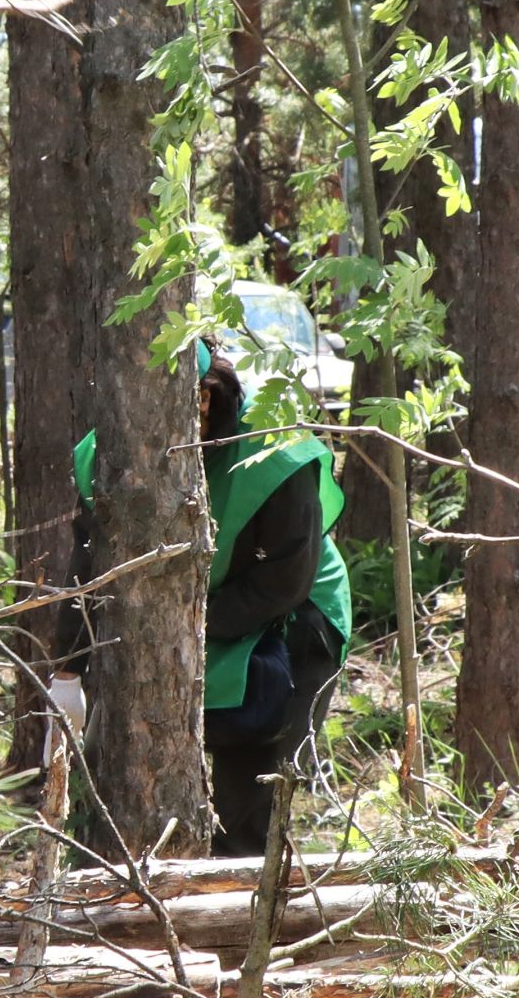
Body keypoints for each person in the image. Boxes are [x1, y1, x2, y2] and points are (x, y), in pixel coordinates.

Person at [50, 342, 352, 855]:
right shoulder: (105, 454)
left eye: (196, 404)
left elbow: (284, 580)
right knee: (127, 779)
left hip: (288, 620)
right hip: (183, 618)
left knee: (251, 791)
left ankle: (245, 914)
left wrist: (176, 625)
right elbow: (90, 564)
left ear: (210, 396)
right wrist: (67, 669)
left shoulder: (276, 450)